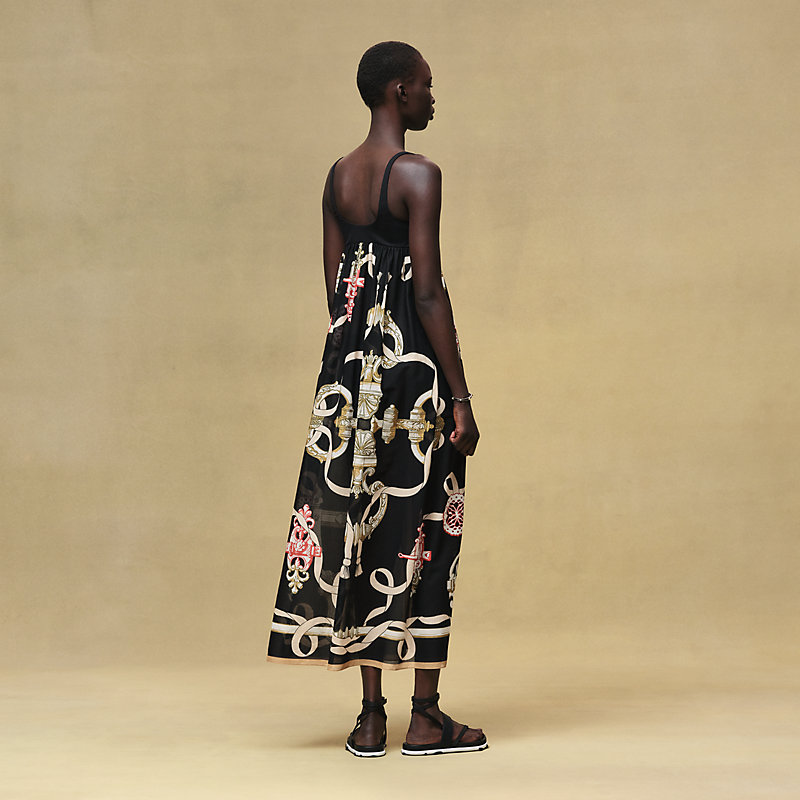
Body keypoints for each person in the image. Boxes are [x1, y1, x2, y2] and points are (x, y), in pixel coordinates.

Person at [267, 41, 487, 758]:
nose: (432, 97)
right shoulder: (418, 175)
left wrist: (356, 364)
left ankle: (369, 719)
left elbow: (336, 290)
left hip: (349, 379)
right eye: (426, 86)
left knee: (363, 527)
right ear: (398, 91)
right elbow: (428, 291)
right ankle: (424, 717)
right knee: (425, 528)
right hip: (412, 377)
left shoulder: (338, 177)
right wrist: (460, 396)